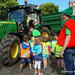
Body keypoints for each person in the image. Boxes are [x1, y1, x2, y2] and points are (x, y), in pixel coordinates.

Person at [57, 7, 75, 75]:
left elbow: (68, 37)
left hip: (68, 49)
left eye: (63, 15)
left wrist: (62, 50)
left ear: (67, 15)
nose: (62, 17)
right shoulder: (73, 22)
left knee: (69, 67)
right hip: (73, 48)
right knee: (72, 65)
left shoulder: (68, 24)